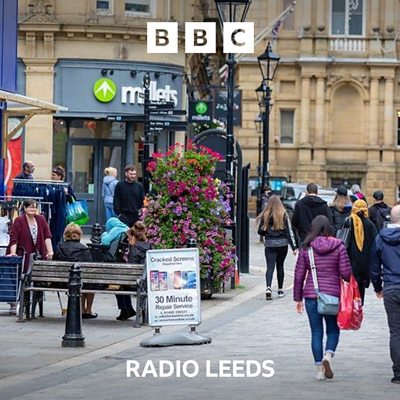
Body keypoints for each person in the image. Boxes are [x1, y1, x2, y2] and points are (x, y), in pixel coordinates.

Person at [294, 215, 351, 381]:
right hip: (332, 295)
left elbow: (298, 275)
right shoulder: (339, 246)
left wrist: (298, 298)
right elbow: (346, 273)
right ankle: (328, 355)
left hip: (312, 295)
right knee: (333, 329)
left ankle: (319, 370)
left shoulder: (306, 248)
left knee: (316, 331)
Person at [370, 205, 400, 384]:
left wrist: (377, 287)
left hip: (391, 286)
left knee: (395, 331)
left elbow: (374, 267)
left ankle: (398, 372)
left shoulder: (381, 238)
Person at [256, 195, 297, 300]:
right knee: (280, 266)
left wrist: (267, 233)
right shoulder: (283, 214)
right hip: (282, 244)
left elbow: (260, 231)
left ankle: (268, 288)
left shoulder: (265, 215)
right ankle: (280, 290)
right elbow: (289, 232)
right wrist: (294, 247)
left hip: (269, 244)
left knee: (270, 267)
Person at [54, 223, 97, 319]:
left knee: (81, 281)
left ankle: (81, 309)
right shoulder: (84, 249)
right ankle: (88, 310)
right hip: (80, 282)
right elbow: (90, 268)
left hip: (61, 282)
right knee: (88, 282)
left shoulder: (59, 248)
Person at [115, 221, 151, 321]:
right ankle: (133, 310)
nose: (128, 239)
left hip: (134, 282)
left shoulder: (133, 249)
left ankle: (126, 310)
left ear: (133, 236)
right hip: (147, 281)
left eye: (129, 237)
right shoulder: (149, 247)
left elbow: (131, 266)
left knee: (120, 285)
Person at [344, 199, 377, 304]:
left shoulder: (348, 221)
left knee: (350, 284)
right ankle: (359, 306)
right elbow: (375, 243)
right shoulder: (370, 224)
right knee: (361, 285)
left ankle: (349, 306)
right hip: (365, 260)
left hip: (350, 258)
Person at [7, 199, 53, 272]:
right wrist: (13, 253)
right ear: (25, 208)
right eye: (30, 207)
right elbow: (14, 238)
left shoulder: (41, 219)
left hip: (39, 254)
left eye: (34, 207)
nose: (32, 209)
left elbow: (47, 236)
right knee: (23, 273)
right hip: (23, 254)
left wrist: (50, 251)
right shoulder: (19, 220)